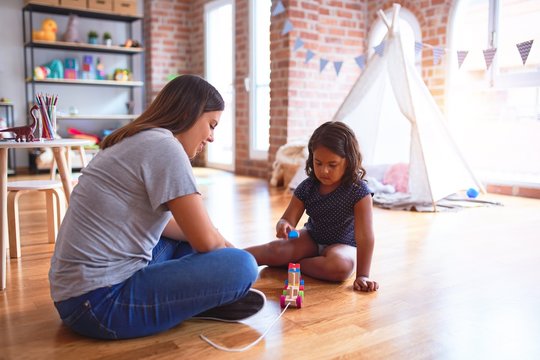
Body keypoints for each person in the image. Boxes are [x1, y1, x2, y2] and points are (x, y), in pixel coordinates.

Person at [49, 75, 261, 340]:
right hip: (100, 305)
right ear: (188, 113)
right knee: (242, 267)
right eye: (211, 125)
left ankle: (184, 301)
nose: (212, 137)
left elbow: (179, 229)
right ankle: (190, 302)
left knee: (183, 243)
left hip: (73, 296)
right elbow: (207, 241)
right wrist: (237, 261)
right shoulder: (165, 147)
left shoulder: (137, 138)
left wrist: (220, 245)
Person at [245, 121, 378, 292]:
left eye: (332, 165)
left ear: (348, 161)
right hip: (312, 238)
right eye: (318, 163)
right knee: (275, 249)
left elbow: (365, 238)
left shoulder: (359, 192)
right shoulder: (308, 186)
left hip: (344, 245)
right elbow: (287, 219)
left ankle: (293, 264)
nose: (324, 171)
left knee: (339, 267)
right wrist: (283, 225)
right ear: (311, 159)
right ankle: (234, 257)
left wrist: (363, 275)